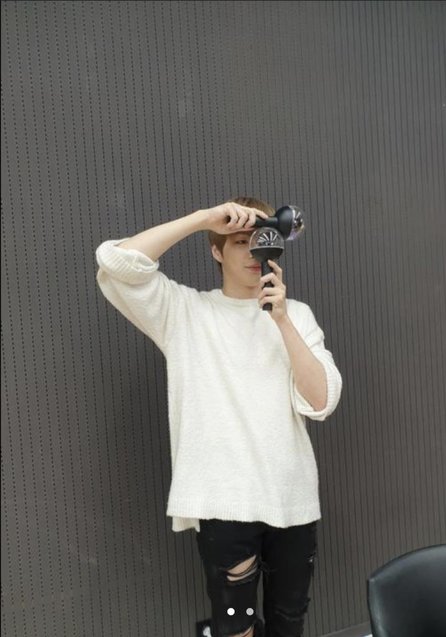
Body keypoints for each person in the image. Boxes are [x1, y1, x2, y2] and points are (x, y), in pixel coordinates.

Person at [95, 197, 342, 637]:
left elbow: (322, 401)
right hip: (224, 501)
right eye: (239, 242)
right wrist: (203, 220)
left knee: (290, 624)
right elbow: (116, 262)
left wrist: (282, 320)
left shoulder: (297, 315)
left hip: (293, 499)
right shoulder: (186, 312)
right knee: (235, 629)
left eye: (260, 241)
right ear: (217, 250)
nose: (252, 252)